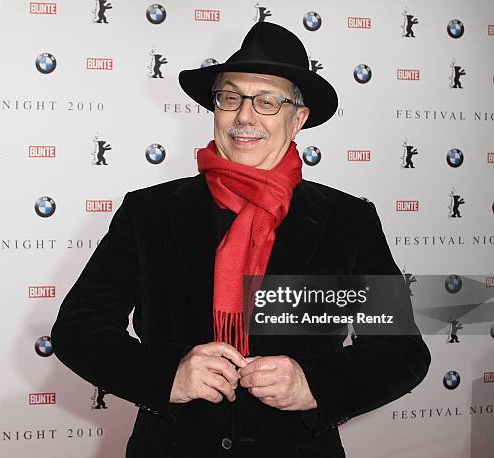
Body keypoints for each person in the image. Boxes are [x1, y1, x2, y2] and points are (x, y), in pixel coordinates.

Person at [51, 22, 430, 457]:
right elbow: (78, 328)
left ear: (299, 118)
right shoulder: (149, 212)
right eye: (231, 98)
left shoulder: (348, 221)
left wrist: (314, 384)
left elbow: (401, 353)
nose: (244, 117)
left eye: (268, 101)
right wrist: (166, 374)